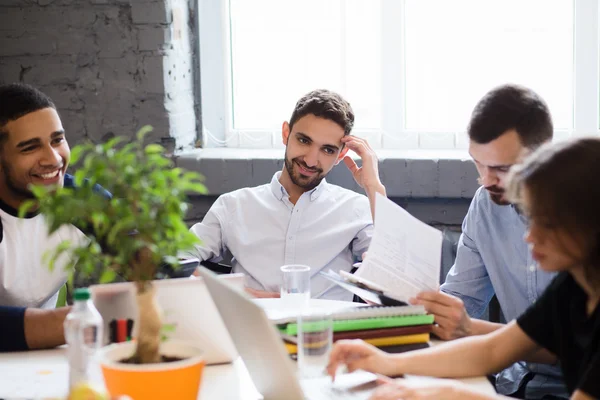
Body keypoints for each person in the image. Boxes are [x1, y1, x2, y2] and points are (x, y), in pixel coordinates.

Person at [327, 137, 600, 400]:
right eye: (531, 218)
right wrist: (385, 362)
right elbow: (493, 350)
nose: (529, 236)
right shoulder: (573, 285)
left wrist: (453, 394)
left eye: (547, 223)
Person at [405, 84, 567, 398]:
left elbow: (571, 345)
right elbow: (460, 302)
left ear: (543, 151)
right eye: (478, 163)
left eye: (502, 168)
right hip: (517, 382)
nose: (486, 180)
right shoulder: (486, 205)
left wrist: (467, 327)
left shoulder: (581, 219)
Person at [184, 89, 386, 300]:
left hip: (329, 329)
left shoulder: (357, 209)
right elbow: (177, 262)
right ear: (285, 134)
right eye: (304, 141)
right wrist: (239, 293)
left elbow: (393, 276)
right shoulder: (233, 206)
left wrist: (374, 188)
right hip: (253, 326)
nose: (310, 160)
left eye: (327, 150)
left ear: (341, 155)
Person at [0, 83, 109, 351]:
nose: (53, 159)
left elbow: (149, 262)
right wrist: (79, 320)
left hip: (42, 363)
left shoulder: (81, 200)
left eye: (57, 140)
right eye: (29, 148)